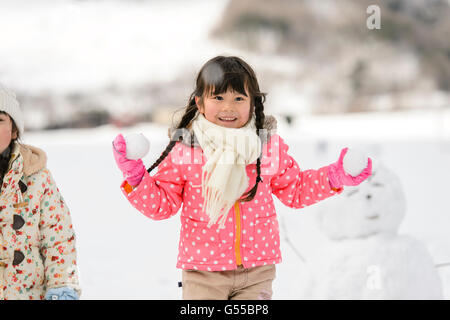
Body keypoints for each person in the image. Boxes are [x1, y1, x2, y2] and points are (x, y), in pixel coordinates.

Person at [113, 56, 372, 300]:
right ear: (200, 103)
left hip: (256, 271)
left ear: (253, 104)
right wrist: (135, 175)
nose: (228, 107)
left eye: (239, 97)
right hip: (203, 271)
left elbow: (295, 190)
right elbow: (162, 205)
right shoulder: (185, 151)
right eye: (218, 97)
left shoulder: (267, 148)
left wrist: (335, 176)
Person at [0, 84, 80, 300]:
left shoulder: (37, 177)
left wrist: (62, 284)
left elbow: (58, 237)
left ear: (14, 129)